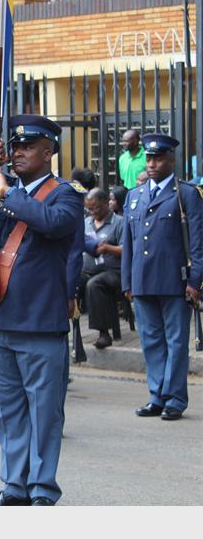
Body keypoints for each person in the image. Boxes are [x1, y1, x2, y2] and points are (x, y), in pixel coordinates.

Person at [0, 115, 84, 506]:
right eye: (15, 146)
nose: (19, 152)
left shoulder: (64, 195)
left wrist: (7, 194)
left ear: (49, 152)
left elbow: (52, 224)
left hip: (38, 321)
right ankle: (14, 485)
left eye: (29, 147)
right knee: (7, 410)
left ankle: (42, 488)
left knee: (44, 412)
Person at [121, 133, 203, 422]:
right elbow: (129, 243)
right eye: (149, 158)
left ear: (171, 160)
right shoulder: (134, 195)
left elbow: (197, 243)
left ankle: (175, 398)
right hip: (142, 281)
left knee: (176, 342)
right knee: (151, 341)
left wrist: (195, 281)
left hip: (175, 281)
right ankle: (157, 395)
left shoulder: (186, 194)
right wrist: (127, 281)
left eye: (158, 158)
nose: (152, 163)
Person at [79, 188, 123, 349]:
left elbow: (128, 249)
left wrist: (108, 248)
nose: (92, 212)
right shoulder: (86, 223)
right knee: (68, 279)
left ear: (106, 203)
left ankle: (104, 333)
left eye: (96, 208)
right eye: (89, 208)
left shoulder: (119, 222)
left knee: (94, 285)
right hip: (88, 270)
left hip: (113, 272)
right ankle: (68, 328)